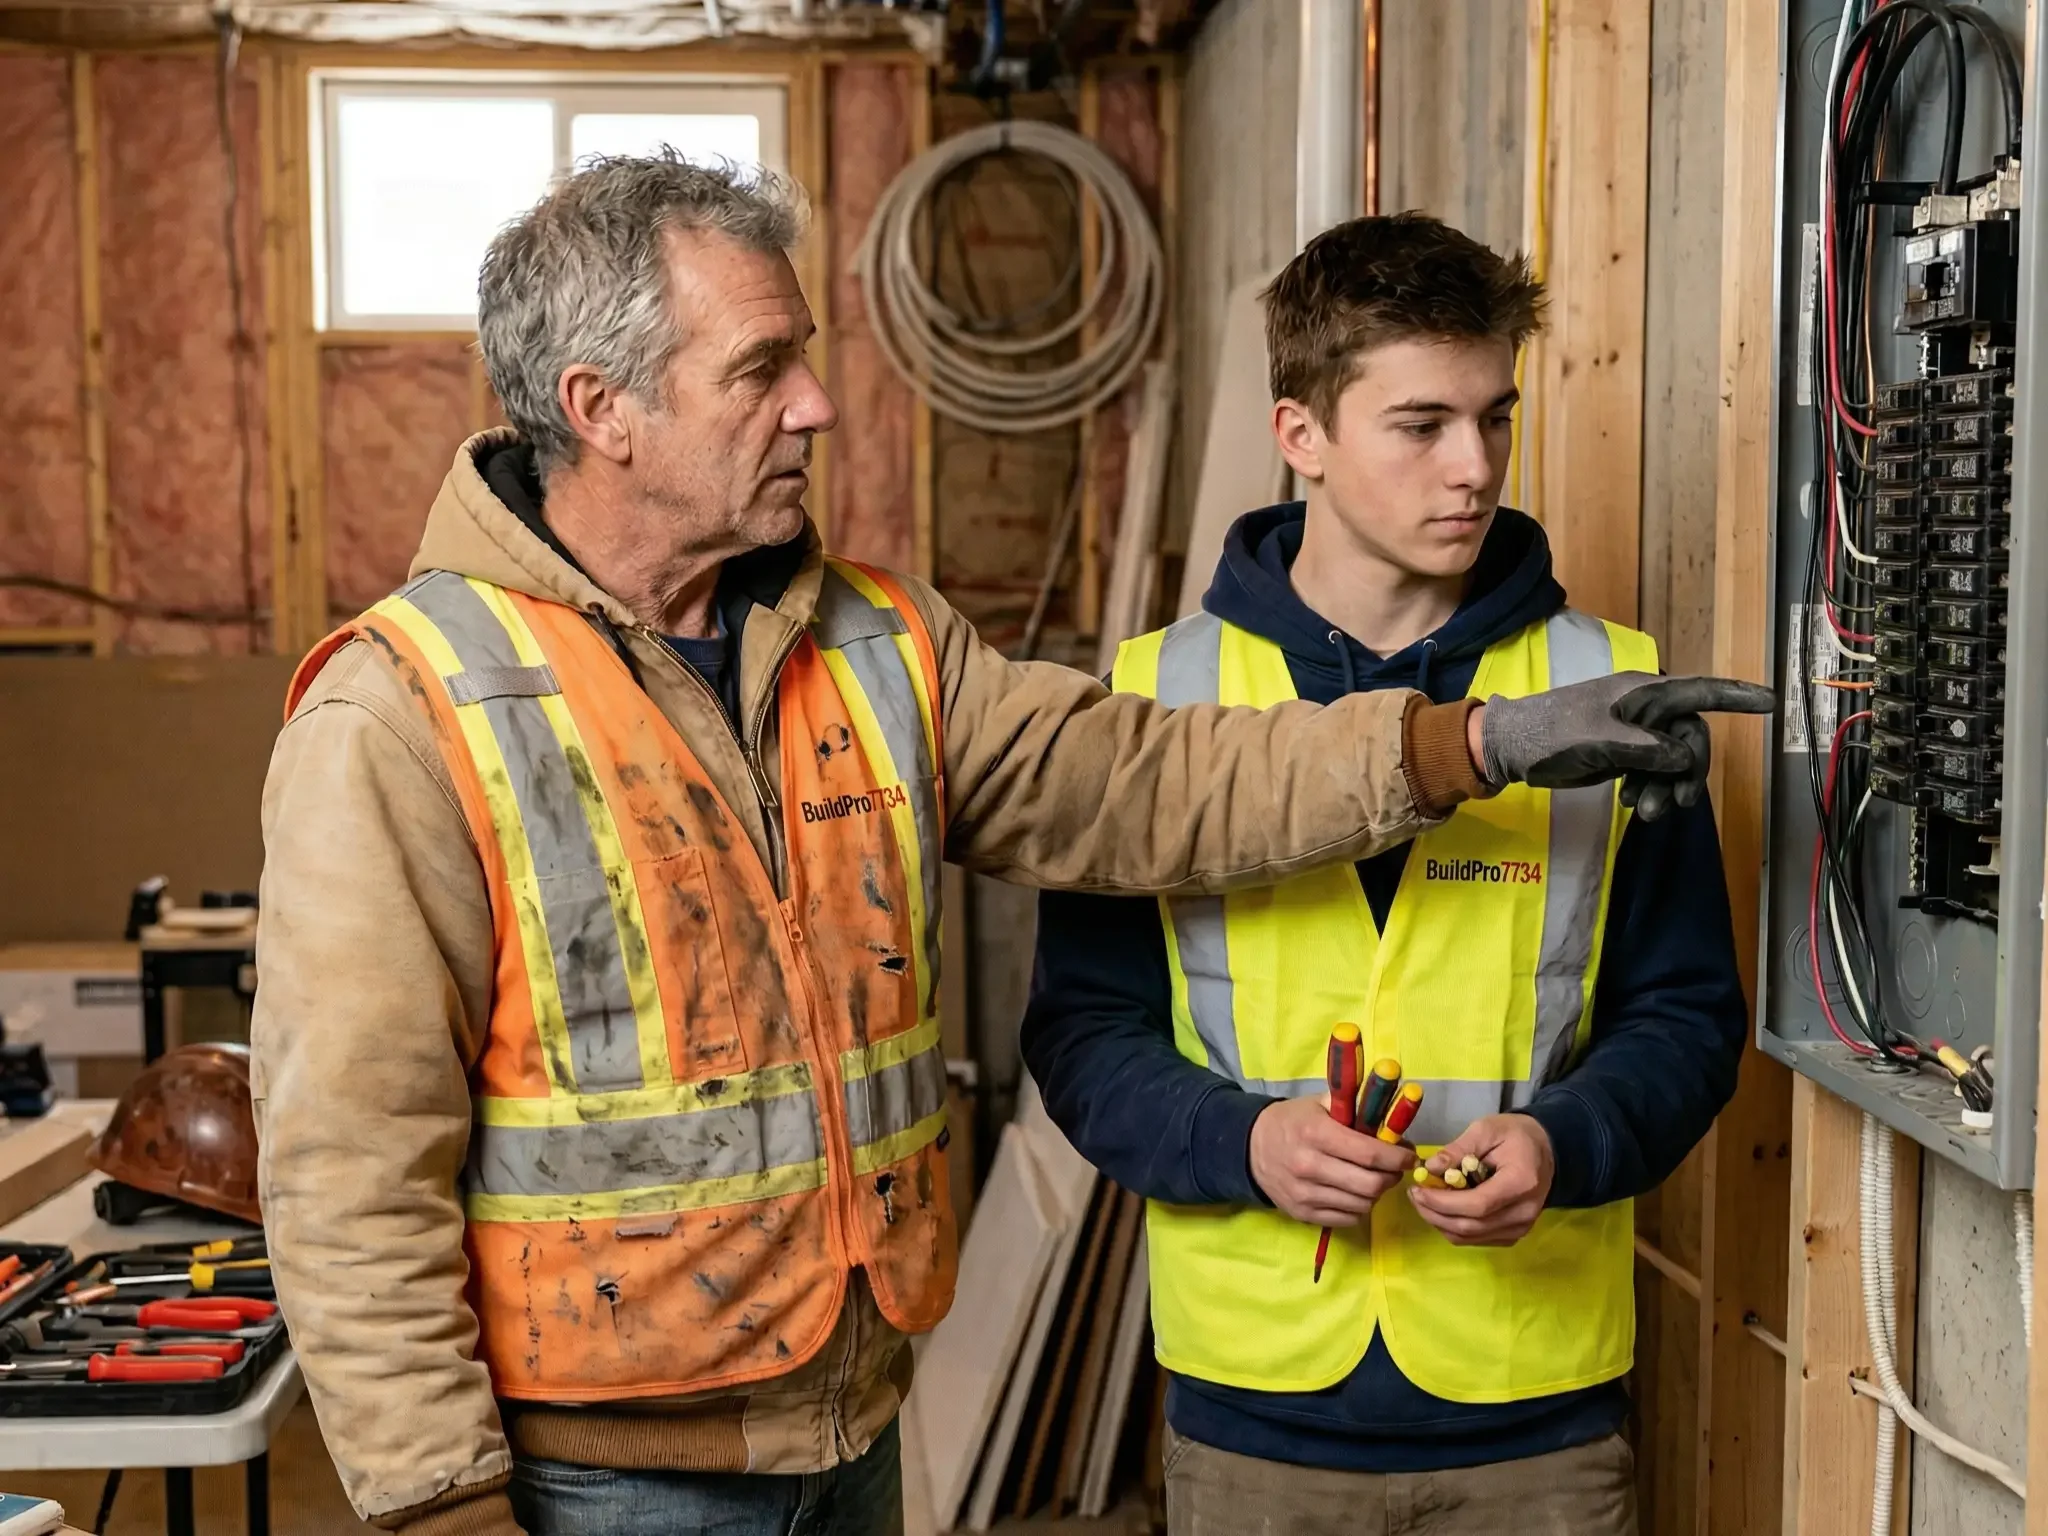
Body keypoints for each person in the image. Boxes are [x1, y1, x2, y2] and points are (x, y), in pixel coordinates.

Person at [251, 162, 1767, 1536]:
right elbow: (346, 1163)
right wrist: (439, 1503)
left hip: (846, 1432)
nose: (817, 406)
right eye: (760, 369)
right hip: (598, 1475)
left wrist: (1469, 741)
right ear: (601, 409)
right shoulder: (410, 709)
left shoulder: (874, 644)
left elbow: (1137, 783)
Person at [1021, 212, 1753, 1536]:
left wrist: (1562, 1139)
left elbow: (1689, 1018)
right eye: (1422, 424)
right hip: (1254, 1415)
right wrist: (1244, 1143)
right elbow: (1082, 1032)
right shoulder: (1154, 698)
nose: (1473, 466)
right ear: (1301, 433)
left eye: (1495, 417)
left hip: (1537, 1415)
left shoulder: (1606, 689)